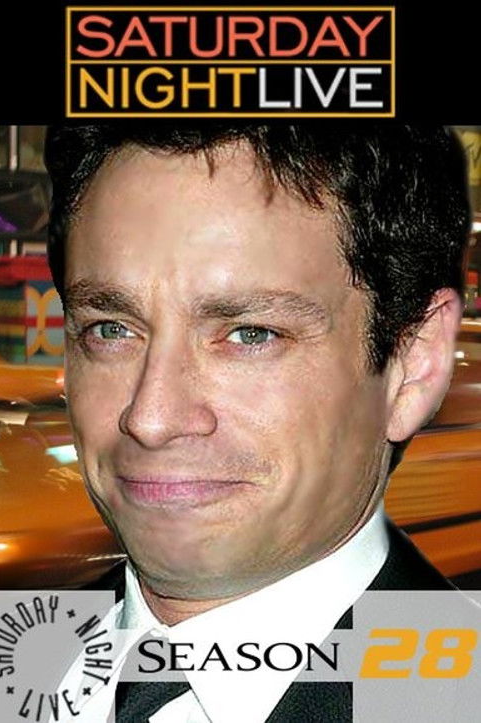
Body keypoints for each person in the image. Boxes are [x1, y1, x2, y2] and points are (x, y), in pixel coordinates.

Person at [44, 123, 471, 721]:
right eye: (110, 329)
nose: (150, 418)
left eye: (251, 334)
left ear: (412, 365)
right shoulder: (17, 657)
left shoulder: (452, 700)